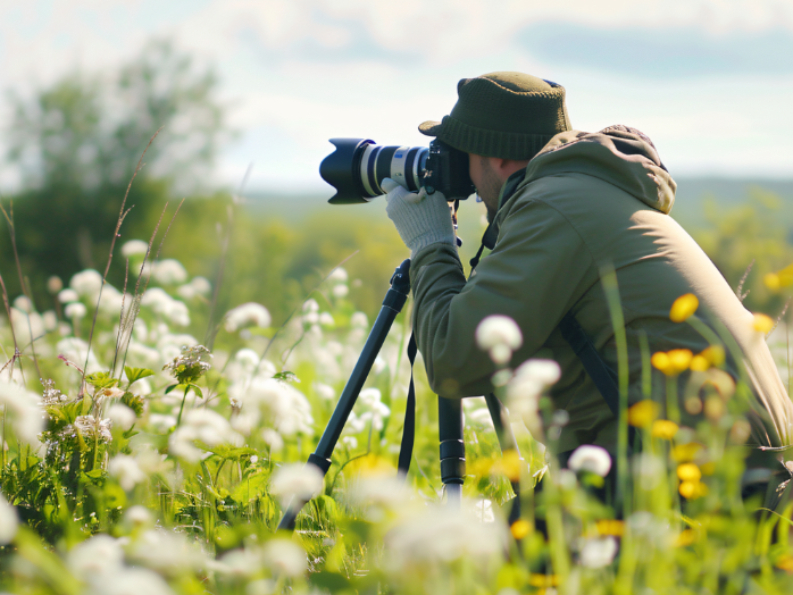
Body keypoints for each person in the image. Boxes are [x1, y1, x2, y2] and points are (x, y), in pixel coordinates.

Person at [382, 71, 793, 507]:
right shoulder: (591, 191)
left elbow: (453, 361)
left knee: (501, 568)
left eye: (461, 154)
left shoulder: (554, 207)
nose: (458, 173)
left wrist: (431, 244)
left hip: (694, 482)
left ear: (498, 158)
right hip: (740, 469)